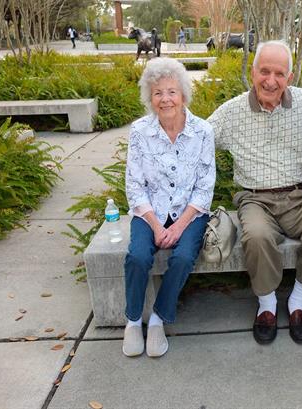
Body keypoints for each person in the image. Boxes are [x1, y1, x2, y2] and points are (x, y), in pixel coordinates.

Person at [208, 41, 302, 345]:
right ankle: (267, 305)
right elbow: (197, 138)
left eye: (279, 73)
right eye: (264, 71)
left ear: (289, 78)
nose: (270, 80)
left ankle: (297, 301)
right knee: (256, 236)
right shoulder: (232, 111)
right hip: (255, 198)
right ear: (253, 73)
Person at [122, 58, 216, 357]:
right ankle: (134, 321)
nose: (165, 99)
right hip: (150, 211)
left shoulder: (203, 131)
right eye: (158, 92)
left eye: (172, 91)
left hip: (189, 212)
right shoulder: (139, 132)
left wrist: (177, 226)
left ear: (183, 95)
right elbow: (134, 186)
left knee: (184, 256)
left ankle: (159, 320)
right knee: (137, 256)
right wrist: (155, 225)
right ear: (150, 98)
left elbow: (204, 187)